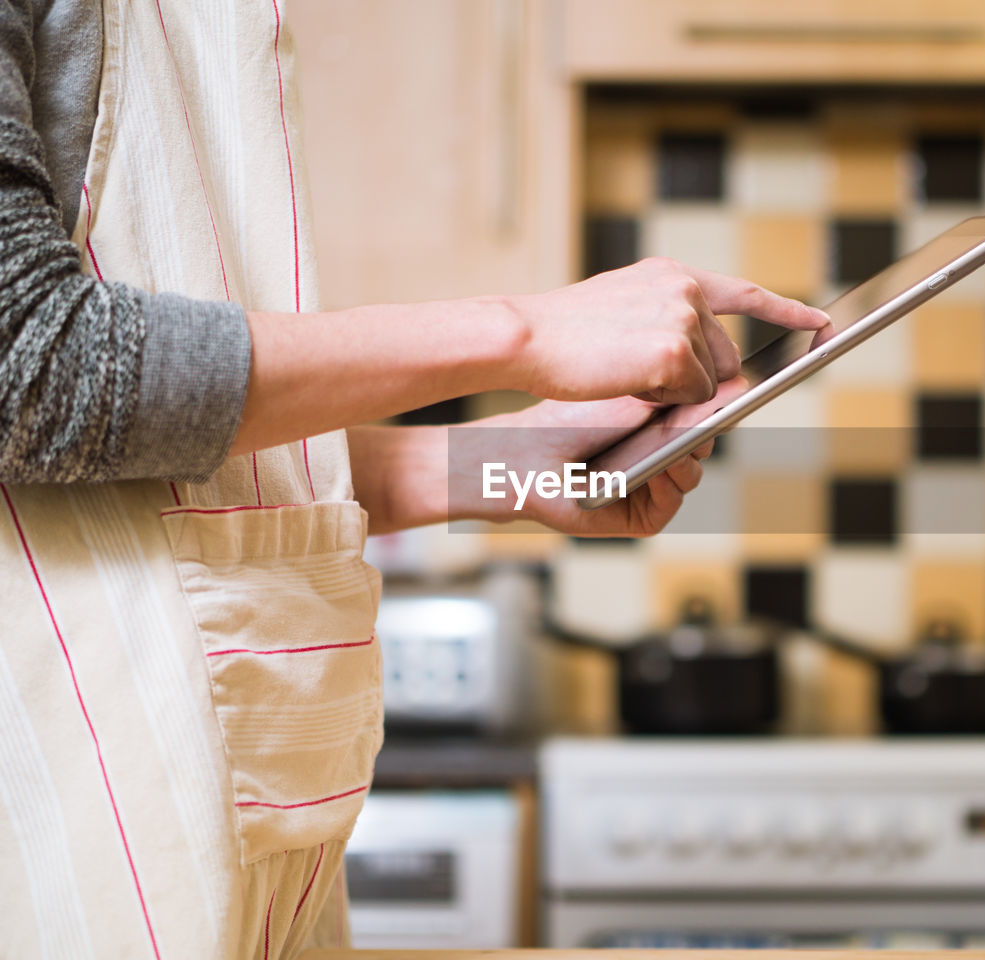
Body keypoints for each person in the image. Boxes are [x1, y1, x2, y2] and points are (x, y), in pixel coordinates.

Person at [0, 2, 830, 958]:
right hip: (77, 786)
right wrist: (523, 332)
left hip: (227, 826)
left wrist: (482, 465)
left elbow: (148, 455)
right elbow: (29, 364)